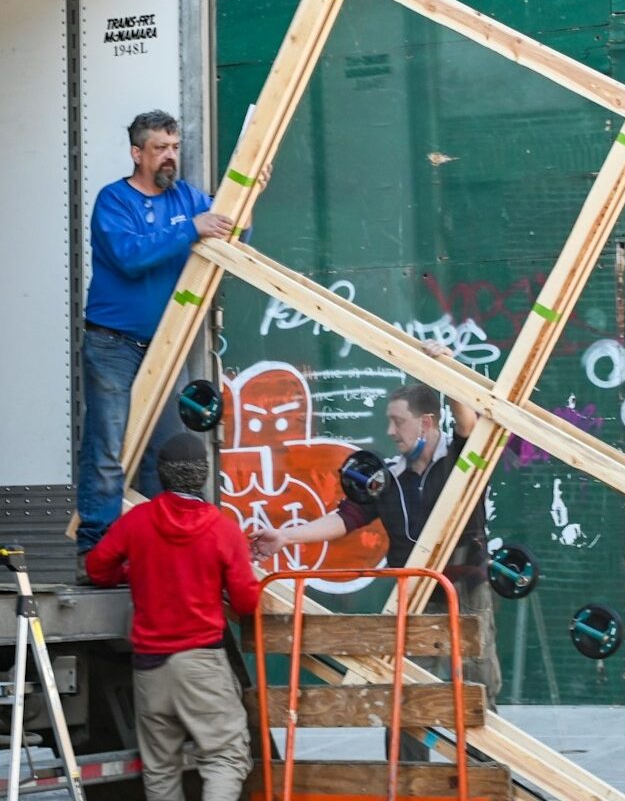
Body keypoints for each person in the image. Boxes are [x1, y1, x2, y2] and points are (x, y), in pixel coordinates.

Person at [249, 340, 502, 706]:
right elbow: (344, 518)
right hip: (414, 594)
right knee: (408, 695)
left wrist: (446, 365)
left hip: (465, 587)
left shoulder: (460, 460)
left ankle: (482, 759)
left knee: (479, 687)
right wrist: (285, 537)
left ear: (426, 422)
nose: (390, 431)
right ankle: (408, 765)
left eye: (398, 421)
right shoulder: (389, 476)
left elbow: (468, 423)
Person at [76, 110, 234, 566]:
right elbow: (129, 256)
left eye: (174, 147)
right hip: (113, 345)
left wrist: (252, 192)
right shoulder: (114, 201)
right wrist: (190, 228)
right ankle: (98, 554)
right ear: (137, 153)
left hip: (166, 345)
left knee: (164, 453)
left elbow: (235, 228)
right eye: (160, 149)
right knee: (108, 447)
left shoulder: (186, 196)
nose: (170, 157)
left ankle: (156, 556)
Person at [85, 432, 260, 801]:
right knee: (226, 758)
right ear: (203, 475)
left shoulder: (138, 521)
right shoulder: (222, 529)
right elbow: (246, 602)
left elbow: (97, 568)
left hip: (150, 670)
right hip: (202, 665)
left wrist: (131, 571)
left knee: (160, 771)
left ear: (161, 475)